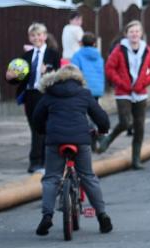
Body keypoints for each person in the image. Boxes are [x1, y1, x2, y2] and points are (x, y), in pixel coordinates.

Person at [31, 65, 112, 236]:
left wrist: (43, 131)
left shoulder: (49, 94)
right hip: (81, 140)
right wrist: (103, 129)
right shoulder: (84, 93)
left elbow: (36, 118)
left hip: (55, 141)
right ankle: (102, 216)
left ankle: (47, 215)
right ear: (78, 79)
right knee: (88, 176)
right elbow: (101, 117)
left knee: (52, 177)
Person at [96, 20, 150, 169]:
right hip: (123, 92)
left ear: (141, 34)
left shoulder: (147, 50)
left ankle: (136, 159)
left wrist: (144, 82)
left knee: (139, 127)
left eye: (137, 31)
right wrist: (121, 82)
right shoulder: (119, 49)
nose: (134, 34)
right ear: (126, 34)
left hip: (140, 93)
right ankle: (108, 139)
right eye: (131, 31)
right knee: (125, 122)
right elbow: (110, 68)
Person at [6, 22, 61, 173]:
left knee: (40, 128)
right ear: (29, 38)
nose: (36, 38)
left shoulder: (53, 54)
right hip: (29, 95)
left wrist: (47, 70)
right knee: (34, 128)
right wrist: (11, 77)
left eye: (39, 35)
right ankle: (41, 160)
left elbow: (58, 74)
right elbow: (19, 77)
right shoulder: (26, 56)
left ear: (44, 36)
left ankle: (36, 161)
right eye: (33, 35)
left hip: (44, 94)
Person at [71, 33, 105, 101]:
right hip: (97, 89)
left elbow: (73, 72)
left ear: (82, 43)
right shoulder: (99, 57)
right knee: (94, 110)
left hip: (82, 89)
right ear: (94, 44)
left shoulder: (77, 55)